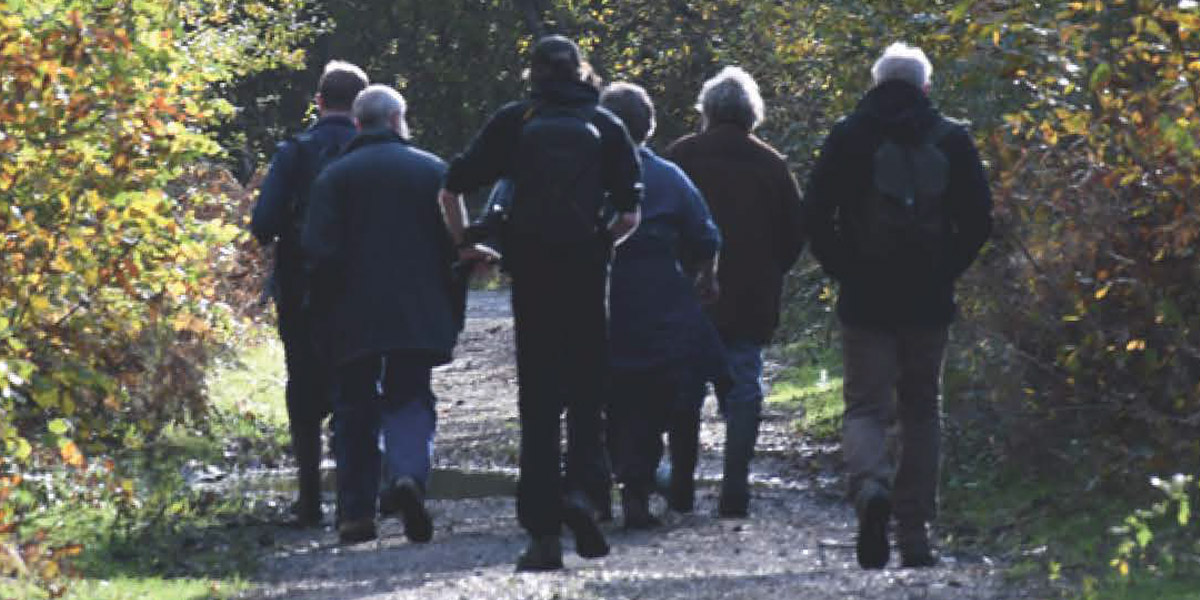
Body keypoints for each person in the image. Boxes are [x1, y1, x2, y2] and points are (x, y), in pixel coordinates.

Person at [438, 35, 643, 571]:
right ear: (581, 71)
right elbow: (628, 214)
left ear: (532, 73)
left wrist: (465, 243)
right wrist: (599, 248)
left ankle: (543, 534)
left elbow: (451, 185)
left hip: (532, 282)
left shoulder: (514, 121)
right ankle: (585, 498)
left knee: (539, 405)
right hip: (586, 280)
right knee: (587, 397)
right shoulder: (606, 123)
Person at [802, 43, 992, 569]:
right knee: (921, 409)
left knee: (866, 405)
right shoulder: (952, 139)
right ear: (925, 87)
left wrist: (845, 269)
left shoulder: (849, 136)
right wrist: (945, 269)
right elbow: (979, 220)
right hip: (928, 300)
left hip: (866, 297)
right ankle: (913, 535)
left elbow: (815, 213)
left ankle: (870, 489)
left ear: (876, 83)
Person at [303, 85, 460, 544]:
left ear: (358, 124)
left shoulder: (333, 177)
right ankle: (407, 475)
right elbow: (455, 242)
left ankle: (356, 512)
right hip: (417, 309)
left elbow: (318, 250)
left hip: (353, 313)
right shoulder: (433, 171)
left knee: (354, 406)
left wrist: (322, 312)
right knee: (410, 396)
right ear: (397, 120)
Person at [665, 66, 806, 517]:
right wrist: (768, 271)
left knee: (684, 392)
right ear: (752, 114)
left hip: (687, 296)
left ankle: (682, 487)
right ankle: (734, 488)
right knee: (743, 387)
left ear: (706, 111)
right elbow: (793, 235)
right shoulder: (771, 164)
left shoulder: (681, 156)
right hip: (749, 297)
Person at [599, 82, 723, 529]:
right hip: (660, 307)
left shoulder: (583, 172)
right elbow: (706, 237)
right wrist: (706, 280)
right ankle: (640, 485)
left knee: (608, 399)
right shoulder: (670, 177)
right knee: (653, 398)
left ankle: (610, 485)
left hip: (598, 304)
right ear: (649, 127)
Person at [250, 60, 368, 527]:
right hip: (362, 287)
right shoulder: (374, 148)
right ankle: (356, 498)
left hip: (303, 286)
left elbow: (262, 225)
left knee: (304, 386)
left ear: (318, 102)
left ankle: (309, 499)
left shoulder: (295, 152)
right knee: (358, 385)